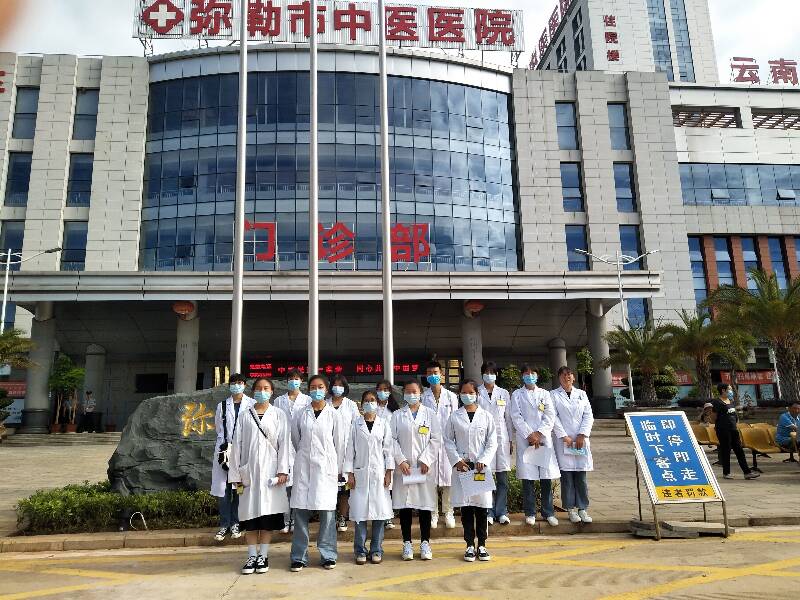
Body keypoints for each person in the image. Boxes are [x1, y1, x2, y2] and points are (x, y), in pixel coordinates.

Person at [228, 378, 290, 575]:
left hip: (271, 473)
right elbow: (236, 445)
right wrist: (235, 474)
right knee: (250, 518)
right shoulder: (245, 415)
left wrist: (283, 470)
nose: (262, 391)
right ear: (253, 392)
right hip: (250, 473)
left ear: (272, 392)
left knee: (267, 518)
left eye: (266, 388)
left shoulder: (279, 414)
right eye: (258, 388)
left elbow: (284, 443)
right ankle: (251, 556)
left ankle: (263, 555)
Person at [289, 374, 344, 572]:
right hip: (304, 468)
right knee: (300, 513)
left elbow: (339, 444)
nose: (316, 390)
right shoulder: (300, 414)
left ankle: (328, 555)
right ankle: (299, 556)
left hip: (325, 470)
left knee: (327, 514)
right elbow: (296, 439)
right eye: (313, 387)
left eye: (320, 386)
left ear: (326, 389)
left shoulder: (333, 415)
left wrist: (338, 470)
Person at [445, 380, 497, 563]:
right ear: (459, 394)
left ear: (477, 394)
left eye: (471, 392)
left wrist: (484, 459)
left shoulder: (486, 416)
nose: (467, 395)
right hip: (463, 468)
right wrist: (457, 461)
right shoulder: (454, 417)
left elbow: (492, 442)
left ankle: (482, 545)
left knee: (482, 508)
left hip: (480, 468)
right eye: (464, 392)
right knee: (466, 509)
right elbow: (448, 440)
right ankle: (469, 545)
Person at [391, 380, 441, 561]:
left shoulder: (430, 414)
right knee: (405, 507)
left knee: (424, 506)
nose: (411, 394)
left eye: (415, 391)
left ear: (420, 393)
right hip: (404, 469)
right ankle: (407, 543)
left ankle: (425, 542)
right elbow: (391, 440)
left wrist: (426, 459)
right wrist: (401, 460)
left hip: (423, 469)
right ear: (403, 393)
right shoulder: (397, 415)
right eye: (408, 391)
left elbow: (436, 439)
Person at [344, 390, 394, 565]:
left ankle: (376, 550)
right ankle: (360, 550)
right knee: (360, 515)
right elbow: (350, 450)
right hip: (360, 474)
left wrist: (389, 472)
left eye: (372, 400)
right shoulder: (355, 425)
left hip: (379, 474)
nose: (369, 403)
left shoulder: (383, 424)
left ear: (377, 403)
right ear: (361, 403)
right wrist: (350, 474)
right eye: (366, 400)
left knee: (379, 515)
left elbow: (388, 450)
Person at [510, 365, 561, 527]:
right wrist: (530, 435)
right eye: (526, 373)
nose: (529, 376)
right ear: (522, 376)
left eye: (532, 373)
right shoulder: (517, 395)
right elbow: (515, 416)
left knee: (545, 478)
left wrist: (539, 433)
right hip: (526, 440)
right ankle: (530, 512)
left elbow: (550, 415)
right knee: (528, 478)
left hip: (543, 440)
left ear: (537, 376)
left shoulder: (545, 394)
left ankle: (548, 512)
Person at [212, 373, 254, 541]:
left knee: (239, 489)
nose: (237, 386)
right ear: (229, 386)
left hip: (243, 452)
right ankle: (224, 524)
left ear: (244, 385)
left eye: (240, 383)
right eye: (234, 383)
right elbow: (218, 427)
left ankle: (236, 522)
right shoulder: (222, 405)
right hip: (225, 451)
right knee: (223, 490)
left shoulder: (251, 404)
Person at [552, 366, 594, 523]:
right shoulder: (553, 395)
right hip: (564, 441)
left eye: (569, 374)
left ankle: (582, 508)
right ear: (559, 378)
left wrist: (582, 435)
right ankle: (570, 509)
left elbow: (588, 415)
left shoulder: (582, 394)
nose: (566, 377)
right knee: (567, 477)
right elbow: (553, 417)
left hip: (580, 441)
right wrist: (564, 436)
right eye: (563, 375)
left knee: (581, 476)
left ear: (573, 377)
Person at [421, 360, 459, 529]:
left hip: (448, 443)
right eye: (430, 373)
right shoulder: (423, 397)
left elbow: (456, 421)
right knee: (430, 480)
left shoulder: (451, 397)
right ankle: (433, 513)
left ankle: (449, 512)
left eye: (435, 373)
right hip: (429, 443)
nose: (433, 376)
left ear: (442, 375)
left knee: (449, 480)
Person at [274, 369, 311, 533]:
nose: (294, 381)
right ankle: (285, 518)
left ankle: (296, 519)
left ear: (301, 381)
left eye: (297, 378)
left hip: (301, 446)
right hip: (283, 446)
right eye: (291, 378)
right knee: (284, 486)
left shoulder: (308, 400)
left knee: (299, 486)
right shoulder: (278, 401)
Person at [477, 361, 513, 526]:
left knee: (502, 479)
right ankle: (489, 512)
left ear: (496, 374)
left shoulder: (503, 393)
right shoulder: (477, 392)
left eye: (492, 372)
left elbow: (508, 418)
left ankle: (502, 512)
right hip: (483, 440)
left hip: (502, 439)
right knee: (486, 478)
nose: (489, 375)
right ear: (482, 374)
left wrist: (510, 439)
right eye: (487, 372)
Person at [328, 374, 359, 532]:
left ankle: (342, 517)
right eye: (335, 384)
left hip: (346, 454)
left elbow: (357, 428)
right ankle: (329, 518)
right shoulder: (325, 404)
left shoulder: (351, 405)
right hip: (327, 453)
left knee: (344, 490)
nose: (337, 388)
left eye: (341, 385)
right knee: (328, 488)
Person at [711, 383, 760, 480]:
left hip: (733, 429)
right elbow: (713, 417)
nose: (731, 391)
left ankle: (747, 472)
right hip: (723, 430)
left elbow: (734, 415)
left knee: (739, 450)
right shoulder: (717, 402)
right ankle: (726, 473)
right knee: (726, 450)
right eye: (729, 389)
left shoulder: (730, 401)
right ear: (723, 390)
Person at [375, 379, 399, 530]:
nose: (382, 392)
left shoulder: (394, 409)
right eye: (380, 389)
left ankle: (388, 516)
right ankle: (378, 515)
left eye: (386, 389)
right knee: (377, 484)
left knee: (388, 485)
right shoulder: (372, 406)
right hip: (374, 450)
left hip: (389, 449)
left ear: (390, 392)